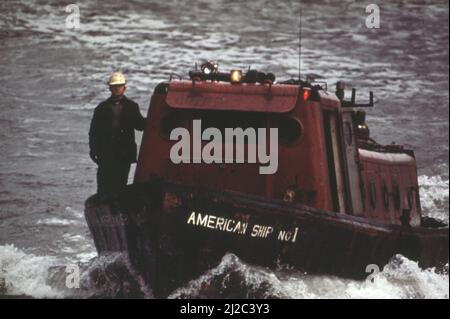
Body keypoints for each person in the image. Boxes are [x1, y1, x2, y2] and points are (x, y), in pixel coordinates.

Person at [89, 72, 146, 196]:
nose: (117, 88)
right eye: (114, 86)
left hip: (124, 153)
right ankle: (104, 211)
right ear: (110, 88)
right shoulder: (101, 108)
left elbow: (140, 125)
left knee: (121, 185)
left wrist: (156, 118)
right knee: (104, 185)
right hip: (106, 153)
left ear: (124, 88)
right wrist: (93, 151)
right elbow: (94, 132)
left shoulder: (132, 107)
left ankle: (117, 211)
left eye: (119, 85)